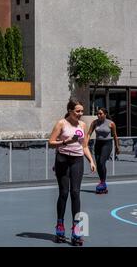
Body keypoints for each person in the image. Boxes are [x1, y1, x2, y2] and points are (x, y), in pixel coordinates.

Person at [48, 98, 96, 246]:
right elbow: (50, 143)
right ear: (70, 111)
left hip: (77, 161)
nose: (80, 114)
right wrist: (65, 142)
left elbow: (84, 146)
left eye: (82, 111)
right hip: (62, 160)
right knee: (64, 193)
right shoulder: (61, 123)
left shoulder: (82, 124)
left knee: (75, 193)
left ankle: (76, 229)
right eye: (77, 111)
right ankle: (60, 225)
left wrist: (91, 160)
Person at [86, 108, 119, 194]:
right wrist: (86, 142)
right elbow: (89, 133)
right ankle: (102, 182)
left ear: (105, 114)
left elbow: (115, 136)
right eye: (97, 114)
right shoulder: (95, 122)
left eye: (100, 114)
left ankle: (103, 182)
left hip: (107, 144)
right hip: (98, 144)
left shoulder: (111, 123)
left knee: (101, 162)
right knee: (98, 164)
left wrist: (117, 147)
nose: (98, 115)